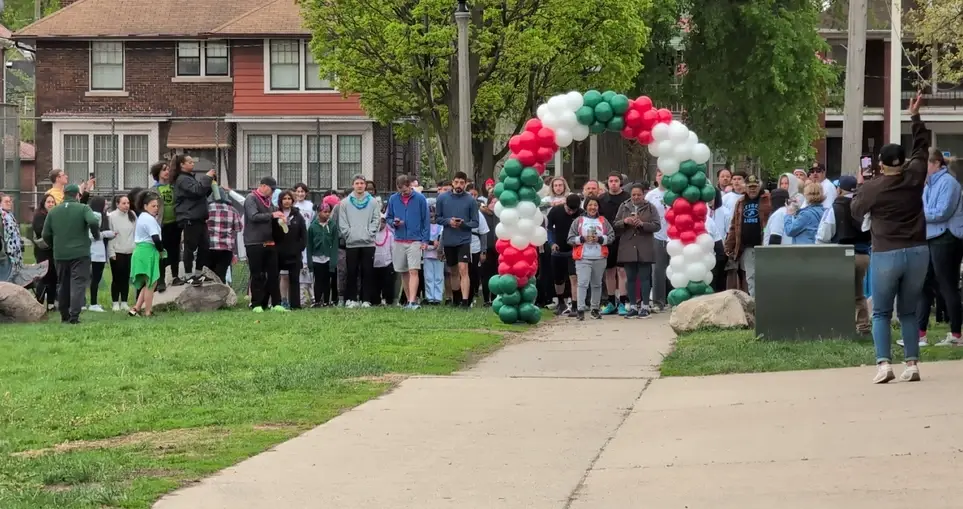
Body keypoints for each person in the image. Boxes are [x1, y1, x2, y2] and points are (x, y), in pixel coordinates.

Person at [851, 93, 929, 384]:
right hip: (919, 251)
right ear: (902, 161)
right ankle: (912, 364)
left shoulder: (874, 187)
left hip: (887, 252)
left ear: (881, 164)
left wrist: (862, 185)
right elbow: (922, 148)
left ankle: (884, 364)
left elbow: (857, 212)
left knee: (881, 312)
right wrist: (915, 117)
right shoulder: (915, 175)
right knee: (908, 310)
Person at [915, 149, 963, 346]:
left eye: (924, 164)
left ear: (935, 163)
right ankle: (920, 334)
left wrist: (919, 216)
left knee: (947, 284)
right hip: (932, 236)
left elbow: (942, 212)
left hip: (947, 237)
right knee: (924, 284)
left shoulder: (949, 183)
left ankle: (955, 335)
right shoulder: (928, 185)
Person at [816, 175, 871, 335]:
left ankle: (838, 328)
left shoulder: (836, 207)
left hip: (840, 254)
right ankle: (862, 327)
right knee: (858, 293)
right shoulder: (863, 206)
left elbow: (824, 234)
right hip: (862, 255)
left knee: (838, 293)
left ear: (839, 189)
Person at [41, 184, 100, 324]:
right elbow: (92, 221)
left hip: (60, 254)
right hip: (80, 253)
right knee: (78, 283)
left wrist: (54, 244)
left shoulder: (53, 211)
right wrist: (96, 234)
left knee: (63, 284)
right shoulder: (83, 208)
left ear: (64, 195)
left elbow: (45, 234)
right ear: (78, 196)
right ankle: (74, 316)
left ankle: (64, 314)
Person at [614, 183, 661, 318]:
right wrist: (625, 221)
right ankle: (633, 306)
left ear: (644, 194)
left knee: (645, 277)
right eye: (633, 195)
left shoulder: (650, 207)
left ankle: (645, 306)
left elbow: (657, 225)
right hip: (628, 246)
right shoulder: (624, 206)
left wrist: (642, 224)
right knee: (630, 278)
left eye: (639, 194)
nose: (636, 197)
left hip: (644, 245)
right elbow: (615, 224)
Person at [385, 174, 430, 310]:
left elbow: (425, 220)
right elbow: (388, 218)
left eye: (405, 190)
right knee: (403, 271)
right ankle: (410, 299)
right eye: (400, 191)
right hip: (399, 239)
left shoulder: (420, 199)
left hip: (415, 240)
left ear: (410, 186)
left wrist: (425, 240)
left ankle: (412, 301)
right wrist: (394, 223)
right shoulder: (393, 199)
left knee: (413, 270)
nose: (403, 193)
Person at [435, 171, 479, 308]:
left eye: (461, 183)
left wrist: (463, 224)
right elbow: (437, 218)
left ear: (466, 184)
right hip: (449, 239)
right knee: (453, 270)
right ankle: (456, 298)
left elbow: (475, 223)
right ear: (452, 182)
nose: (459, 185)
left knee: (463, 268)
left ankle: (465, 301)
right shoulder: (442, 198)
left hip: (464, 239)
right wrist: (449, 221)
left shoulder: (471, 200)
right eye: (456, 182)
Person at [244, 177, 287, 313]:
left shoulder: (269, 202)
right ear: (262, 186)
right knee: (257, 274)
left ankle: (276, 303)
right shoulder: (251, 198)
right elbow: (253, 216)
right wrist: (272, 215)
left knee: (274, 273)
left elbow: (273, 214)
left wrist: (280, 216)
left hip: (270, 242)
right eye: (271, 188)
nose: (273, 191)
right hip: (254, 242)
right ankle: (256, 303)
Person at [567, 197, 615, 320]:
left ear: (598, 207)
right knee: (582, 283)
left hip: (599, 257)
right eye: (590, 205)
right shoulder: (579, 221)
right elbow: (570, 239)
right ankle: (580, 309)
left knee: (597, 284)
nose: (592, 208)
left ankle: (595, 309)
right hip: (583, 257)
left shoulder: (603, 221)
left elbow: (611, 236)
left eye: (595, 205)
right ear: (586, 206)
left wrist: (600, 239)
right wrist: (582, 239)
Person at [171, 154, 215, 286]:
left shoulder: (190, 178)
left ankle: (198, 272)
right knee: (190, 247)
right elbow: (196, 191)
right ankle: (189, 275)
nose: (192, 164)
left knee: (205, 246)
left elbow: (201, 193)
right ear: (182, 165)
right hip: (189, 217)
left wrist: (209, 184)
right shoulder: (182, 179)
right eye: (189, 162)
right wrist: (206, 178)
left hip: (199, 217)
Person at [338, 174, 381, 308]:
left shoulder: (373, 202)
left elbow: (376, 219)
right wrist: (349, 234)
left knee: (367, 271)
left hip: (368, 243)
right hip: (352, 243)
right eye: (357, 183)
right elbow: (343, 222)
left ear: (365, 185)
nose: (359, 186)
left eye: (362, 183)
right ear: (353, 185)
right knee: (351, 271)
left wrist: (370, 233)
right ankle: (351, 299)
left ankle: (366, 299)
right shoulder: (345, 203)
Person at [724, 174, 771, 296]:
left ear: (759, 186)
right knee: (751, 277)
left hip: (764, 245)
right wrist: (729, 245)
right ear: (746, 187)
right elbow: (734, 225)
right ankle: (755, 303)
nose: (752, 189)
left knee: (765, 275)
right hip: (747, 246)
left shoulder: (767, 199)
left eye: (755, 186)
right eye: (750, 186)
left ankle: (766, 300)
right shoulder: (740, 202)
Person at [128, 191, 164, 317]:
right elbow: (156, 238)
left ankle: (136, 308)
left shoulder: (143, 217)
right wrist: (161, 250)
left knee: (147, 282)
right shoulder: (149, 219)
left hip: (141, 251)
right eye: (153, 206)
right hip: (147, 251)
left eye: (157, 206)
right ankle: (148, 312)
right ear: (145, 206)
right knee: (151, 283)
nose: (156, 208)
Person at [599, 172, 630, 315]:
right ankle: (611, 301)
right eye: (611, 181)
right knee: (609, 271)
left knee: (622, 270)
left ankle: (622, 302)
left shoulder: (627, 198)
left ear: (620, 182)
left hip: (623, 237)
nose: (613, 183)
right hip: (607, 238)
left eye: (616, 181)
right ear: (608, 182)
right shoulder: (602, 199)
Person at [547, 194, 582, 316]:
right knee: (558, 279)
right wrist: (551, 243)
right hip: (558, 250)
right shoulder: (555, 211)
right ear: (565, 204)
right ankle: (561, 303)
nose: (571, 212)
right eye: (569, 209)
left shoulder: (581, 214)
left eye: (574, 210)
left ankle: (575, 305)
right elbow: (549, 228)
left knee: (574, 277)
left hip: (574, 250)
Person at [151, 161, 180, 291]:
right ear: (158, 173)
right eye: (164, 170)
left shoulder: (173, 187)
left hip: (175, 223)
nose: (167, 172)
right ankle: (161, 280)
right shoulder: (154, 189)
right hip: (161, 225)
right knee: (162, 252)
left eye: (168, 169)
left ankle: (175, 276)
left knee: (175, 251)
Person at [276, 190, 308, 309]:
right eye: (284, 199)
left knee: (294, 279)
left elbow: (303, 234)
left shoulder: (297, 215)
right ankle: (277, 303)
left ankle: (295, 304)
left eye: (289, 198)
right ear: (280, 201)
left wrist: (299, 247)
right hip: (278, 253)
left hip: (294, 254)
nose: (287, 201)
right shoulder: (276, 214)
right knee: (275, 278)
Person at [206, 188, 244, 284]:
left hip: (208, 247)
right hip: (226, 249)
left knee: (208, 275)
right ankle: (221, 296)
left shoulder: (206, 208)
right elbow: (239, 228)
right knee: (221, 275)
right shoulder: (233, 210)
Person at [645, 171, 670, 311]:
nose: (662, 177)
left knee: (674, 268)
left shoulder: (675, 193)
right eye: (659, 174)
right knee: (658, 270)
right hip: (657, 235)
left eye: (665, 174)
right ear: (656, 177)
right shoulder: (651, 195)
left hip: (674, 236)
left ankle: (673, 300)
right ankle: (658, 301)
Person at [85, 196, 115, 312]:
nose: (106, 206)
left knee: (86, 279)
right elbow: (93, 235)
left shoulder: (91, 215)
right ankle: (93, 303)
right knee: (95, 279)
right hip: (96, 253)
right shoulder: (96, 216)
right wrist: (109, 233)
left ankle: (85, 303)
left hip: (93, 251)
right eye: (105, 204)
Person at [107, 195, 136, 311]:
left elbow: (135, 233)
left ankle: (124, 301)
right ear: (117, 204)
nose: (126, 206)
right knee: (116, 278)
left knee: (126, 277)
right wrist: (111, 252)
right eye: (123, 203)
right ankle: (115, 302)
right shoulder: (112, 216)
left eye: (128, 203)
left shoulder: (132, 215)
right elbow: (110, 235)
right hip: (117, 251)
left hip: (129, 250)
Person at [308, 202, 339, 307]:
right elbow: (309, 245)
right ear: (318, 212)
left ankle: (326, 301)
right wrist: (310, 262)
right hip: (316, 258)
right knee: (318, 280)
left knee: (327, 280)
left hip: (328, 258)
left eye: (328, 212)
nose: (327, 214)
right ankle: (317, 301)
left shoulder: (332, 226)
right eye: (324, 212)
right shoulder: (312, 227)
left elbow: (335, 244)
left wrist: (334, 260)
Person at [32, 193, 58, 309]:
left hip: (54, 250)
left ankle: (51, 304)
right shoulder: (39, 216)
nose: (51, 204)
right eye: (48, 202)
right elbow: (40, 231)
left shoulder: (56, 215)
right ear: (43, 203)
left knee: (53, 277)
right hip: (43, 251)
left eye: (53, 202)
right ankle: (39, 302)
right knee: (43, 276)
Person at [423, 206, 445, 305]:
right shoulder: (424, 227)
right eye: (430, 216)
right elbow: (424, 241)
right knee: (428, 276)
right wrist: (431, 244)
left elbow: (441, 240)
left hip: (439, 255)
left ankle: (438, 297)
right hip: (427, 255)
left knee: (439, 276)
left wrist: (436, 244)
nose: (432, 218)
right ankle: (430, 297)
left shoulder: (441, 227)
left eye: (433, 216)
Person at [373, 215, 395, 305]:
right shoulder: (372, 234)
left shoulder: (389, 235)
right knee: (375, 285)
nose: (381, 224)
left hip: (387, 263)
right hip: (374, 264)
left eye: (383, 222)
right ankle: (375, 300)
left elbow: (393, 249)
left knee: (388, 284)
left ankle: (388, 300)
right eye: (379, 222)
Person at [1, 194, 24, 273]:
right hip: (7, 250)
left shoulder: (9, 214)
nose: (9, 203)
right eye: (6, 201)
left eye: (10, 201)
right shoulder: (2, 216)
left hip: (14, 249)